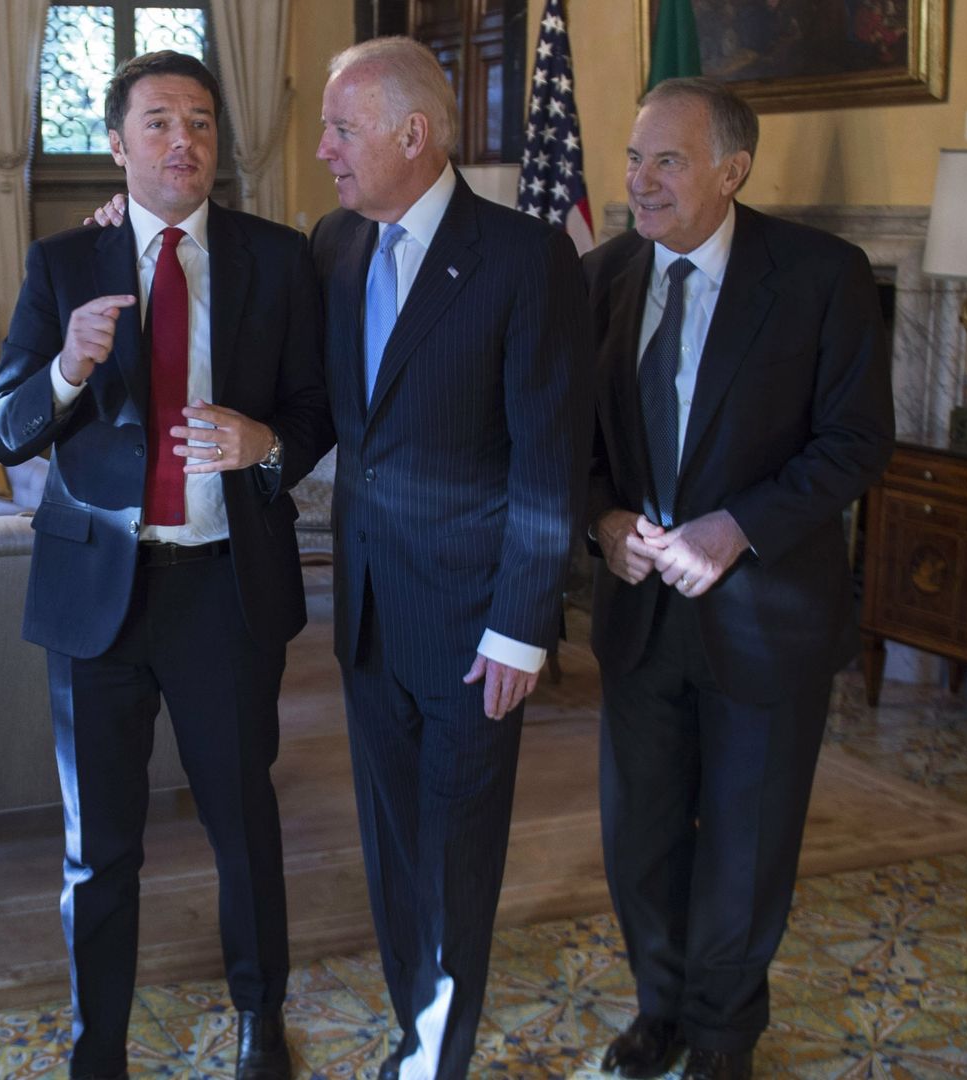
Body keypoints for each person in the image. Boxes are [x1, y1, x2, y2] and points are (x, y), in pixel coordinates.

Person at [0, 51, 332, 1080]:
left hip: (225, 587)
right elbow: (3, 431)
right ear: (118, 143)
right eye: (159, 122)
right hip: (98, 599)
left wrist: (264, 444)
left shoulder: (278, 258)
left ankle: (262, 1024)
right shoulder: (61, 266)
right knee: (103, 850)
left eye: (202, 123)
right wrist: (66, 367)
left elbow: (315, 411)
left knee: (243, 824)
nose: (185, 141)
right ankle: (101, 1047)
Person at [582, 78, 893, 1080]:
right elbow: (568, 442)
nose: (640, 180)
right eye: (634, 158)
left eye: (666, 160)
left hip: (766, 614)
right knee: (643, 837)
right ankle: (661, 1009)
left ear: (733, 169)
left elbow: (857, 443)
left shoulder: (821, 276)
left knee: (746, 845)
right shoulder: (600, 278)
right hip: (639, 613)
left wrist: (738, 527)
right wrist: (605, 522)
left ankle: (723, 1034)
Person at [310, 37, 589, 1080]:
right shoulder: (334, 244)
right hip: (370, 615)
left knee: (458, 854)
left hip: (478, 627)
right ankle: (412, 1027)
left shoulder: (524, 258)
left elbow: (548, 457)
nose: (326, 152)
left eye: (342, 130)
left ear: (411, 134)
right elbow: (328, 407)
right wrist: (121, 221)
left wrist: (524, 623)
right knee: (391, 850)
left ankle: (437, 1059)